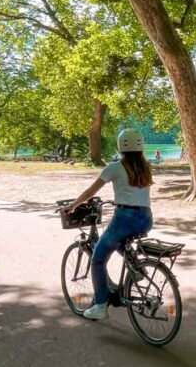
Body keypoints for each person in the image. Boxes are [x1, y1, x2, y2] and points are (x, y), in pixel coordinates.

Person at [61, 129, 154, 320]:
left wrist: (72, 206)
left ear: (120, 147)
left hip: (124, 219)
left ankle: (101, 306)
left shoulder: (114, 167)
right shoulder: (145, 166)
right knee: (119, 241)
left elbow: (90, 192)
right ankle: (136, 269)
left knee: (97, 260)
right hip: (146, 219)